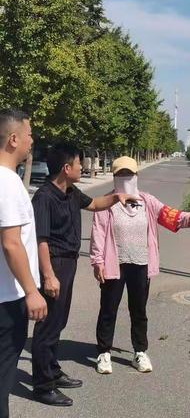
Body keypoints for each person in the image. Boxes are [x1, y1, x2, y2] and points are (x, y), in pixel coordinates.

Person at [31, 144, 139, 407]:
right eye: (79, 163)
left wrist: (117, 197)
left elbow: (95, 204)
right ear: (67, 168)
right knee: (48, 325)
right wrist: (48, 275)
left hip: (68, 262)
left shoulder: (70, 192)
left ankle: (53, 371)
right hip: (54, 263)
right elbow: (41, 240)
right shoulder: (45, 197)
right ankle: (43, 386)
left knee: (59, 321)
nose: (83, 167)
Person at [90, 156, 190, 374]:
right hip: (113, 265)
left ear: (137, 176)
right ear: (114, 177)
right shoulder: (106, 203)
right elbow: (98, 234)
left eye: (129, 174)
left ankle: (140, 352)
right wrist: (98, 261)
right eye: (120, 174)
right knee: (108, 309)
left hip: (141, 263)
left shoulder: (147, 201)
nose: (125, 178)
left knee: (138, 310)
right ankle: (104, 353)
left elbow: (172, 216)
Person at [0, 109, 48, 418]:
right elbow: (11, 242)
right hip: (7, 301)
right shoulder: (8, 183)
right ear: (14, 138)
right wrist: (32, 290)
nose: (32, 140)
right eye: (29, 134)